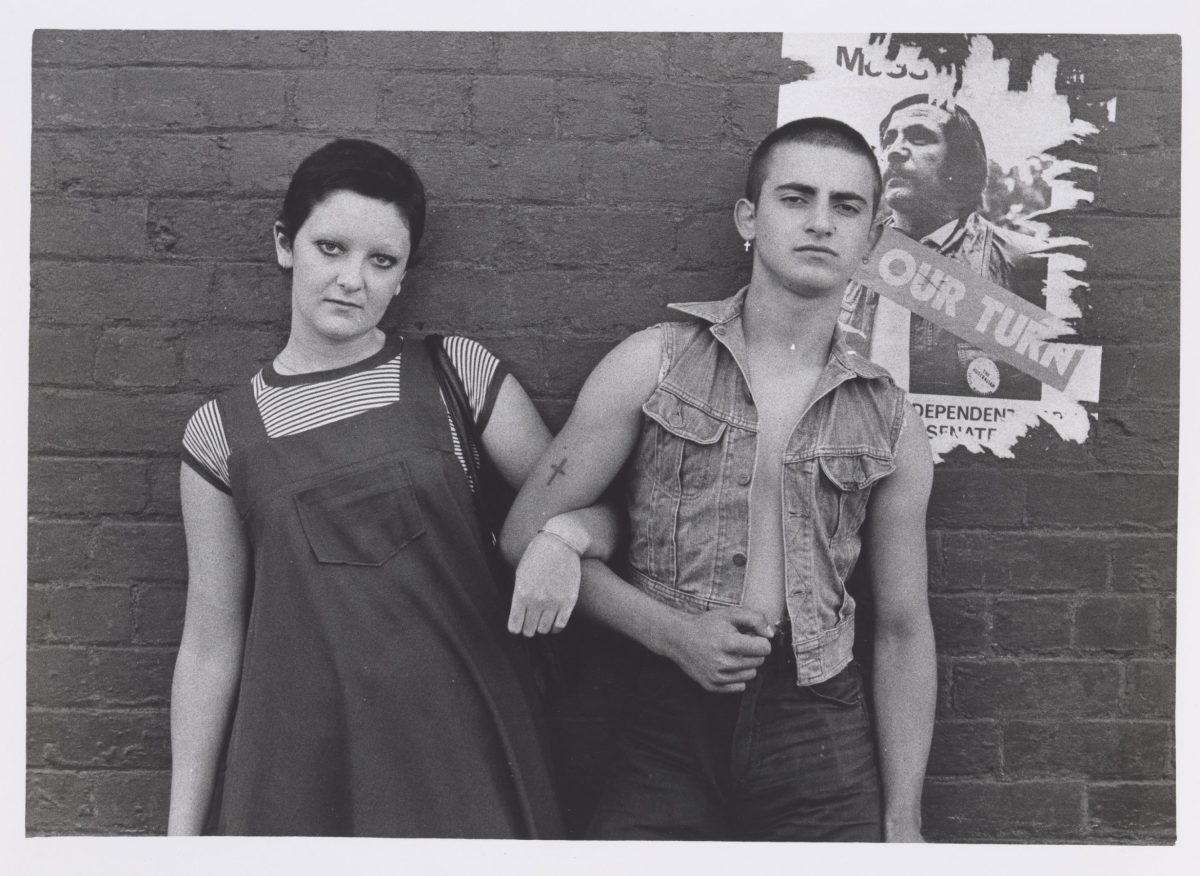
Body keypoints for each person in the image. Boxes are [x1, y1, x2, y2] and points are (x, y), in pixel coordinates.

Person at [502, 118, 936, 841]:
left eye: (847, 206)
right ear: (749, 217)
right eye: (796, 198)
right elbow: (522, 535)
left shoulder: (891, 421)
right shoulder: (655, 363)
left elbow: (901, 629)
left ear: (873, 235)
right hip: (663, 719)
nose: (821, 223)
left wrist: (905, 821)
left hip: (819, 726)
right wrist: (673, 635)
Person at [167, 139, 614, 837]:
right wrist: (178, 843)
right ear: (285, 244)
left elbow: (600, 509)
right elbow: (209, 646)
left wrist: (565, 536)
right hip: (303, 770)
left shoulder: (455, 376)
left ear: (405, 276)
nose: (353, 279)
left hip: (465, 750)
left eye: (382, 261)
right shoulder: (219, 435)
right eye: (331, 248)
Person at [839, 94, 1047, 400]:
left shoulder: (1026, 262)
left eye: (919, 137)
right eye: (889, 139)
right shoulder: (844, 258)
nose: (895, 151)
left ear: (960, 163)